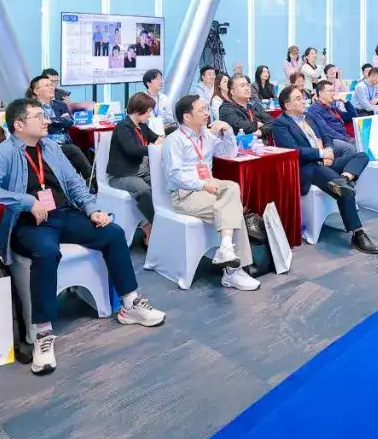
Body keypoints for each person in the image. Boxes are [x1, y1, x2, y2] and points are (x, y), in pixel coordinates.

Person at [0, 98, 166, 375]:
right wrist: (27, 201)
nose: (46, 120)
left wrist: (92, 209)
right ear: (19, 125)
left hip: (64, 213)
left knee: (113, 233)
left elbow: (75, 183)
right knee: (46, 252)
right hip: (30, 223)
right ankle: (42, 333)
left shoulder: (51, 147)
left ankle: (130, 303)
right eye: (38, 116)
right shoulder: (4, 153)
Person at [163, 95, 259, 291]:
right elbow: (174, 176)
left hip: (209, 186)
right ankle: (233, 272)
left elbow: (228, 153)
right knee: (233, 211)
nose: (207, 113)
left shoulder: (206, 135)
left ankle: (226, 248)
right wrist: (200, 185)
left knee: (232, 187)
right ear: (187, 116)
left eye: (206, 109)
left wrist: (228, 131)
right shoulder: (175, 140)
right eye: (201, 110)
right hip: (185, 193)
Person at [273, 85, 378, 254]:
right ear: (287, 105)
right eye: (298, 99)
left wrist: (328, 151)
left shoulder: (308, 117)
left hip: (324, 162)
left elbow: (327, 137)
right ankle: (358, 234)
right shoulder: (281, 124)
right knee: (344, 189)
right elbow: (294, 151)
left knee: (361, 156)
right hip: (306, 168)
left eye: (302, 97)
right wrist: (321, 154)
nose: (303, 101)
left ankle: (344, 178)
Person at [106, 93, 160, 241]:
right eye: (148, 111)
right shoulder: (123, 127)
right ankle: (154, 226)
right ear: (138, 110)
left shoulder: (141, 126)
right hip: (122, 175)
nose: (149, 115)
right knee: (145, 191)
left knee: (162, 186)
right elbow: (132, 149)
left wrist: (162, 141)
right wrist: (153, 148)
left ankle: (157, 223)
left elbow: (156, 138)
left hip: (140, 171)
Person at [27, 74, 93, 181]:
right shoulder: (32, 108)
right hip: (44, 144)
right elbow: (38, 125)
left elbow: (69, 121)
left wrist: (51, 120)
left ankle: (88, 180)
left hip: (64, 142)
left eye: (51, 85)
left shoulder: (60, 105)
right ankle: (91, 179)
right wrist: (60, 120)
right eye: (47, 85)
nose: (51, 87)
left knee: (84, 149)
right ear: (36, 91)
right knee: (74, 151)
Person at [307, 80, 360, 151]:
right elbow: (326, 130)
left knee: (362, 143)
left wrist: (345, 101)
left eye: (333, 91)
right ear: (321, 93)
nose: (333, 93)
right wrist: (346, 139)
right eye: (330, 91)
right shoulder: (314, 109)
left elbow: (353, 116)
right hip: (330, 141)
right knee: (352, 147)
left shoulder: (332, 108)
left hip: (343, 138)